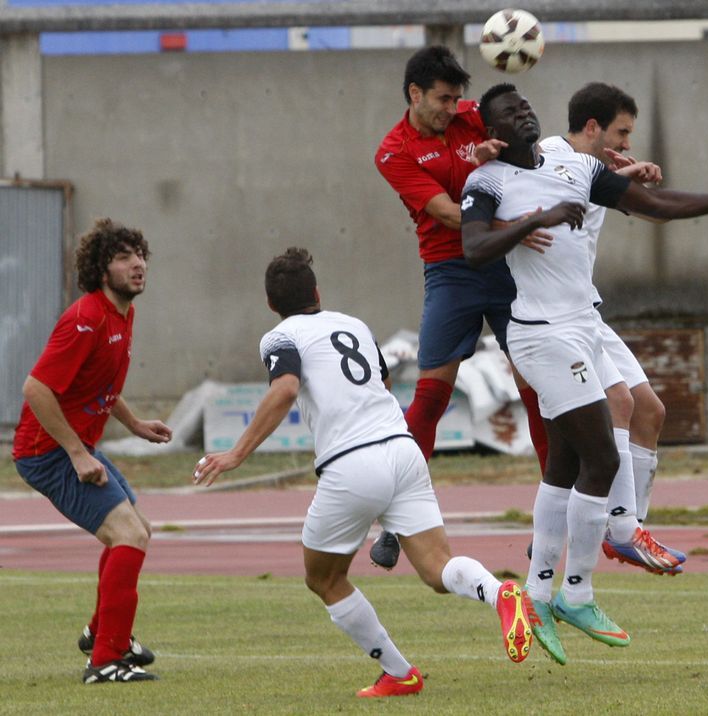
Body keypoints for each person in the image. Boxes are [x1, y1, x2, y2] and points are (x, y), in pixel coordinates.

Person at [460, 83, 708, 664]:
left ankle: (536, 594)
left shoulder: (579, 167)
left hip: (584, 324)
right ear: (493, 132)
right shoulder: (487, 182)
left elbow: (655, 205)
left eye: (525, 105)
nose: (524, 113)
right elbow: (474, 247)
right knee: (603, 457)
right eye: (509, 112)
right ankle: (578, 591)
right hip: (541, 334)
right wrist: (535, 220)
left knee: (563, 464)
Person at [192, 247, 533, 698]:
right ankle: (499, 592)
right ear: (317, 292)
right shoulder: (352, 324)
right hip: (402, 449)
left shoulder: (278, 337)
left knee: (324, 578)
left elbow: (286, 387)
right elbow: (384, 382)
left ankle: (399, 673)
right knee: (437, 569)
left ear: (271, 305)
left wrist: (236, 453)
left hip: (353, 464)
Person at [372, 45, 550, 570]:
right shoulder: (393, 151)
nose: (454, 108)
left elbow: (537, 146)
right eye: (443, 99)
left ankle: (552, 520)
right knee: (429, 397)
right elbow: (450, 214)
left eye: (458, 98)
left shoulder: (475, 116)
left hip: (506, 265)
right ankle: (396, 522)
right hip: (451, 270)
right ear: (414, 94)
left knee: (537, 387)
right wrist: (517, 226)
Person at [12, 218, 172, 684]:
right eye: (124, 257)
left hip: (74, 446)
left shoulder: (121, 313)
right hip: (47, 452)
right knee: (128, 535)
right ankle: (105, 660)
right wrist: (78, 455)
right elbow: (36, 388)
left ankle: (103, 632)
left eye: (140, 254)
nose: (138, 264)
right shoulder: (86, 316)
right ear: (103, 269)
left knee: (136, 528)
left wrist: (135, 424)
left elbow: (99, 384)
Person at [538, 82, 684, 576]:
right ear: (593, 127)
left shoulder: (597, 168)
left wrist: (633, 180)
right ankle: (613, 529)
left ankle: (632, 527)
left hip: (585, 310)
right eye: (621, 133)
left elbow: (650, 212)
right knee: (616, 407)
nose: (627, 143)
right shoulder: (549, 153)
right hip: (550, 318)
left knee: (651, 410)